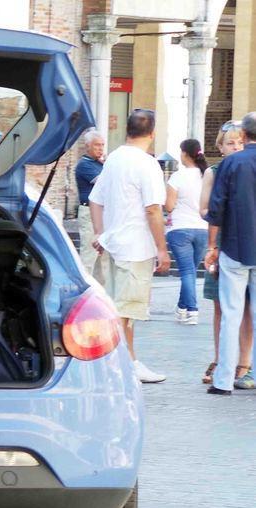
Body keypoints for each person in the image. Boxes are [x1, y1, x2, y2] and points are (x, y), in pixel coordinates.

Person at [89, 109, 170, 383]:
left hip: (113, 245)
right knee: (124, 312)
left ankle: (129, 362)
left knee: (118, 309)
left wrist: (101, 233)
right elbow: (153, 210)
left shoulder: (113, 159)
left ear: (127, 130)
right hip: (135, 247)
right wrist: (162, 248)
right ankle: (119, 368)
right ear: (152, 133)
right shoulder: (147, 164)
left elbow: (95, 200)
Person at [203, 112, 256, 395]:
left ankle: (223, 380)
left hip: (235, 246)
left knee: (231, 315)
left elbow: (217, 208)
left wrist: (212, 246)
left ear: (244, 136)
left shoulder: (231, 163)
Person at [165, 138, 208, 325]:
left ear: (184, 153)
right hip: (203, 229)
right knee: (190, 270)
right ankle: (182, 308)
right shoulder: (207, 175)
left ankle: (192, 310)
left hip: (180, 229)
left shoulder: (177, 177)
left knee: (187, 271)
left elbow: (168, 205)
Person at [74, 128, 105, 273]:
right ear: (87, 146)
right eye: (97, 145)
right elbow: (105, 183)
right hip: (89, 213)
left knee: (102, 260)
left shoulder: (99, 164)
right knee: (89, 255)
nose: (100, 149)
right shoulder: (84, 164)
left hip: (102, 212)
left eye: (102, 145)